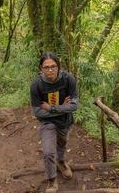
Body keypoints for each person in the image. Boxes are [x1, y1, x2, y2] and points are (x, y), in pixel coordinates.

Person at [30, 52, 78, 193]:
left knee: (62, 144)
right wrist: (63, 107)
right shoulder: (36, 85)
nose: (50, 70)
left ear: (58, 67)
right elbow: (37, 112)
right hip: (47, 123)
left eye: (53, 66)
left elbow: (74, 105)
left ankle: (62, 162)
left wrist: (51, 108)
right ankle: (51, 180)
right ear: (41, 69)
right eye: (46, 67)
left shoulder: (68, 79)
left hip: (65, 121)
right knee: (48, 152)